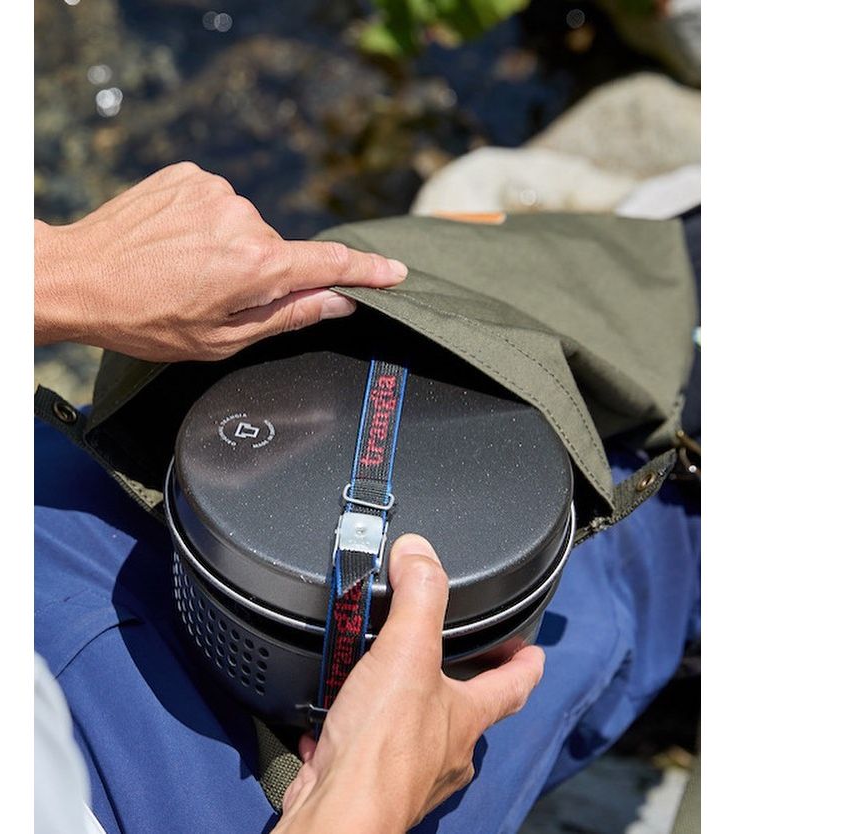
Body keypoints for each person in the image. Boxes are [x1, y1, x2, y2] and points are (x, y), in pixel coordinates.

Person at [35, 162, 700, 833]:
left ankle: (634, 303)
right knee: (611, 577)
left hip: (78, 522)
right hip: (194, 779)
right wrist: (368, 795)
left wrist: (64, 275)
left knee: (376, 310)